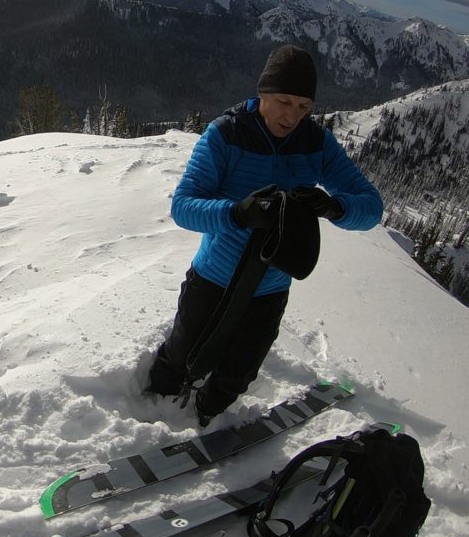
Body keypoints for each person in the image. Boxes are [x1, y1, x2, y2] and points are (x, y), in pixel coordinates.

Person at [147, 44, 383, 425]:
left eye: (304, 107)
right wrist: (237, 213)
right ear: (263, 93)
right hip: (214, 278)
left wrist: (334, 206)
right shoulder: (227, 134)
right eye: (283, 102)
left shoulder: (315, 144)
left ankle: (208, 418)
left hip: (270, 287)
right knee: (182, 353)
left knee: (238, 371)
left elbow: (372, 207)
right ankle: (151, 410)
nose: (292, 116)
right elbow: (184, 207)